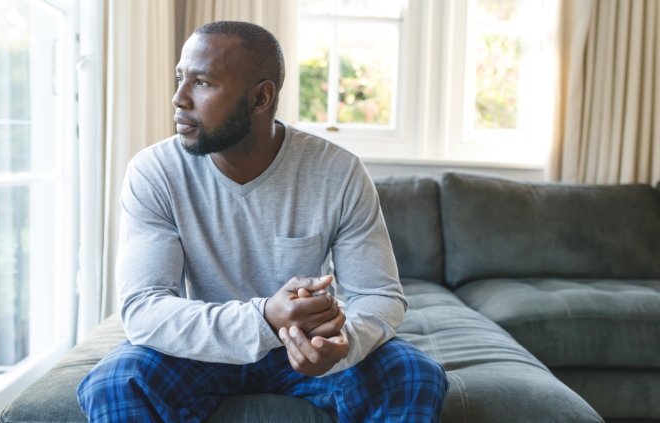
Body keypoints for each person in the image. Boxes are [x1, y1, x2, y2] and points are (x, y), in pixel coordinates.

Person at [76, 21, 448, 422]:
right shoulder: (154, 172)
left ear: (261, 98)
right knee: (114, 382)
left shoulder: (338, 172)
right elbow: (143, 307)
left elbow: (380, 294)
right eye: (181, 78)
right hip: (205, 348)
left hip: (305, 350)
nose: (178, 98)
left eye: (202, 82)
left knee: (413, 375)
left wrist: (344, 341)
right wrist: (265, 317)